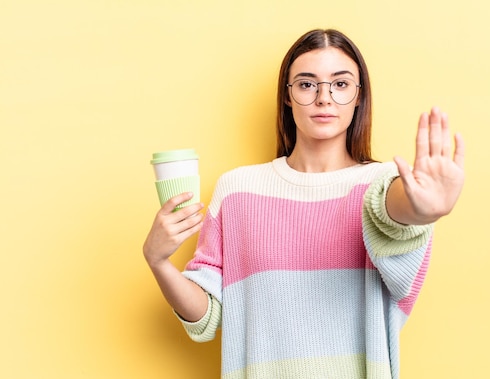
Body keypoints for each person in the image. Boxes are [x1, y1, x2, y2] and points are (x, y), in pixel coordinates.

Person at [143, 28, 465, 379]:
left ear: (359, 97)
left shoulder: (380, 183)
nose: (324, 98)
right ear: (288, 96)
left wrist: (423, 210)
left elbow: (391, 213)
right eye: (307, 84)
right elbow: (208, 314)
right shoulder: (237, 190)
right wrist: (158, 261)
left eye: (340, 85)